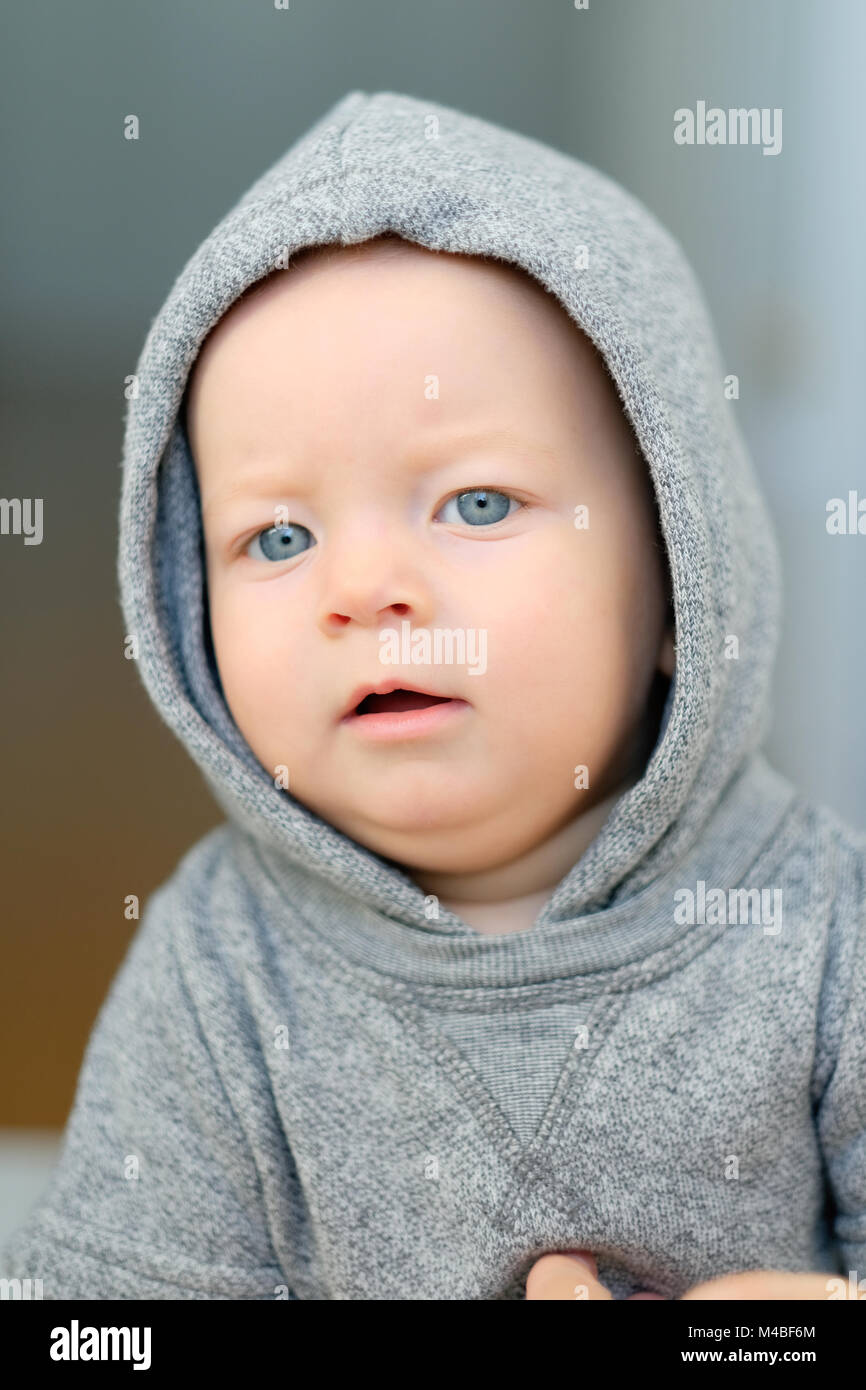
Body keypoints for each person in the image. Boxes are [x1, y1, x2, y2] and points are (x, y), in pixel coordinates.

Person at [2, 90, 863, 1300]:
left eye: (473, 504)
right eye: (281, 534)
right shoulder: (219, 969)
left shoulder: (819, 928)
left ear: (681, 578)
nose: (361, 589)